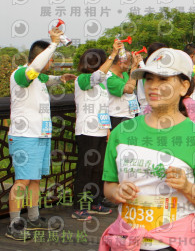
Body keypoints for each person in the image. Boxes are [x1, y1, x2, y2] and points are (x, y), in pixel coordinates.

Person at [101, 48, 195, 251]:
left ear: (184, 86)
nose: (153, 86)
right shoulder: (122, 133)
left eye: (163, 80)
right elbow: (109, 185)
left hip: (173, 244)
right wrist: (117, 192)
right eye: (149, 79)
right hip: (126, 242)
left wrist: (187, 187)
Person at [6, 28, 75, 241]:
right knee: (22, 181)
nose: (51, 62)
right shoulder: (21, 74)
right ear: (40, 57)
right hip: (25, 136)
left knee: (34, 179)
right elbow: (35, 70)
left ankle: (34, 217)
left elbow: (46, 77)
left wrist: (60, 78)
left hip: (40, 135)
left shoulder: (37, 77)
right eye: (50, 58)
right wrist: (54, 43)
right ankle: (14, 224)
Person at [72, 42, 121, 221]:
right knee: (85, 170)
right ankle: (79, 207)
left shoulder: (101, 85)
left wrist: (107, 128)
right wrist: (113, 54)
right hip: (86, 131)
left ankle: (94, 202)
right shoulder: (82, 79)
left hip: (100, 131)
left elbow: (103, 108)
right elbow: (98, 76)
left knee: (98, 169)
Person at [107, 50, 143, 129]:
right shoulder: (109, 77)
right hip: (117, 117)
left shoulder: (123, 73)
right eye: (129, 62)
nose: (130, 64)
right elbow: (129, 89)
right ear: (120, 63)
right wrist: (134, 67)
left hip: (129, 115)